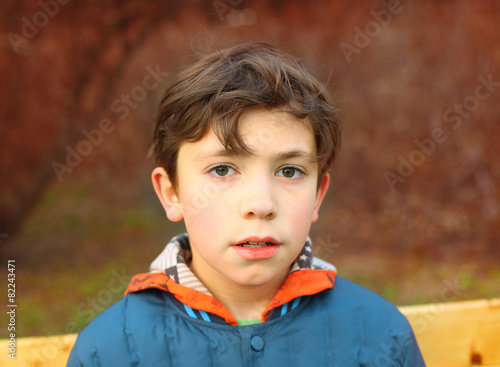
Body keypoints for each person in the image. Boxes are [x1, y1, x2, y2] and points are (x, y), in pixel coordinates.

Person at [67, 42, 425, 366]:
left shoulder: (381, 336)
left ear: (318, 194)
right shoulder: (109, 352)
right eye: (222, 169)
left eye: (289, 170)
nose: (261, 204)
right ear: (171, 192)